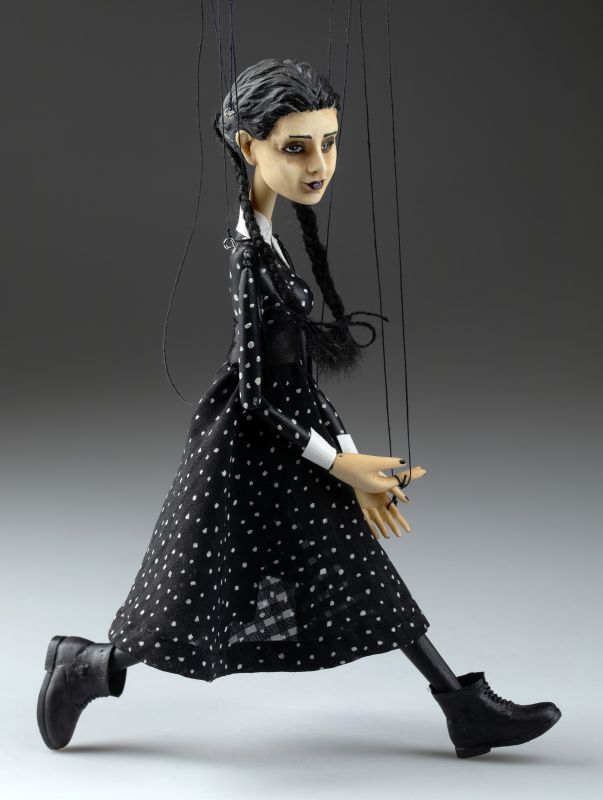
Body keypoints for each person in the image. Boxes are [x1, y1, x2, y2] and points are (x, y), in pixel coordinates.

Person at [37, 58, 561, 758]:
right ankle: (87, 666)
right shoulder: (250, 257)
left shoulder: (269, 238)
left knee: (355, 572)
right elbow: (256, 398)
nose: (319, 165)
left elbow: (297, 378)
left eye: (329, 143)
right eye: (296, 147)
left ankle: (463, 709)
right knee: (193, 597)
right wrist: (340, 464)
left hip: (290, 439)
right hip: (250, 450)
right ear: (246, 146)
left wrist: (349, 452)